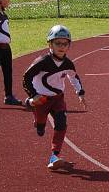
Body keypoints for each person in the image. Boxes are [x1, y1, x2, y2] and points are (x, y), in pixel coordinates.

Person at [22, 25, 87, 170]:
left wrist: (80, 93)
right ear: (50, 44)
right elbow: (26, 77)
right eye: (58, 43)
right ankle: (32, 107)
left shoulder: (68, 63)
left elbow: (74, 77)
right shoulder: (42, 61)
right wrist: (34, 95)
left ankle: (54, 156)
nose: (61, 47)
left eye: (65, 43)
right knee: (40, 127)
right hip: (41, 99)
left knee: (61, 124)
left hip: (58, 99)